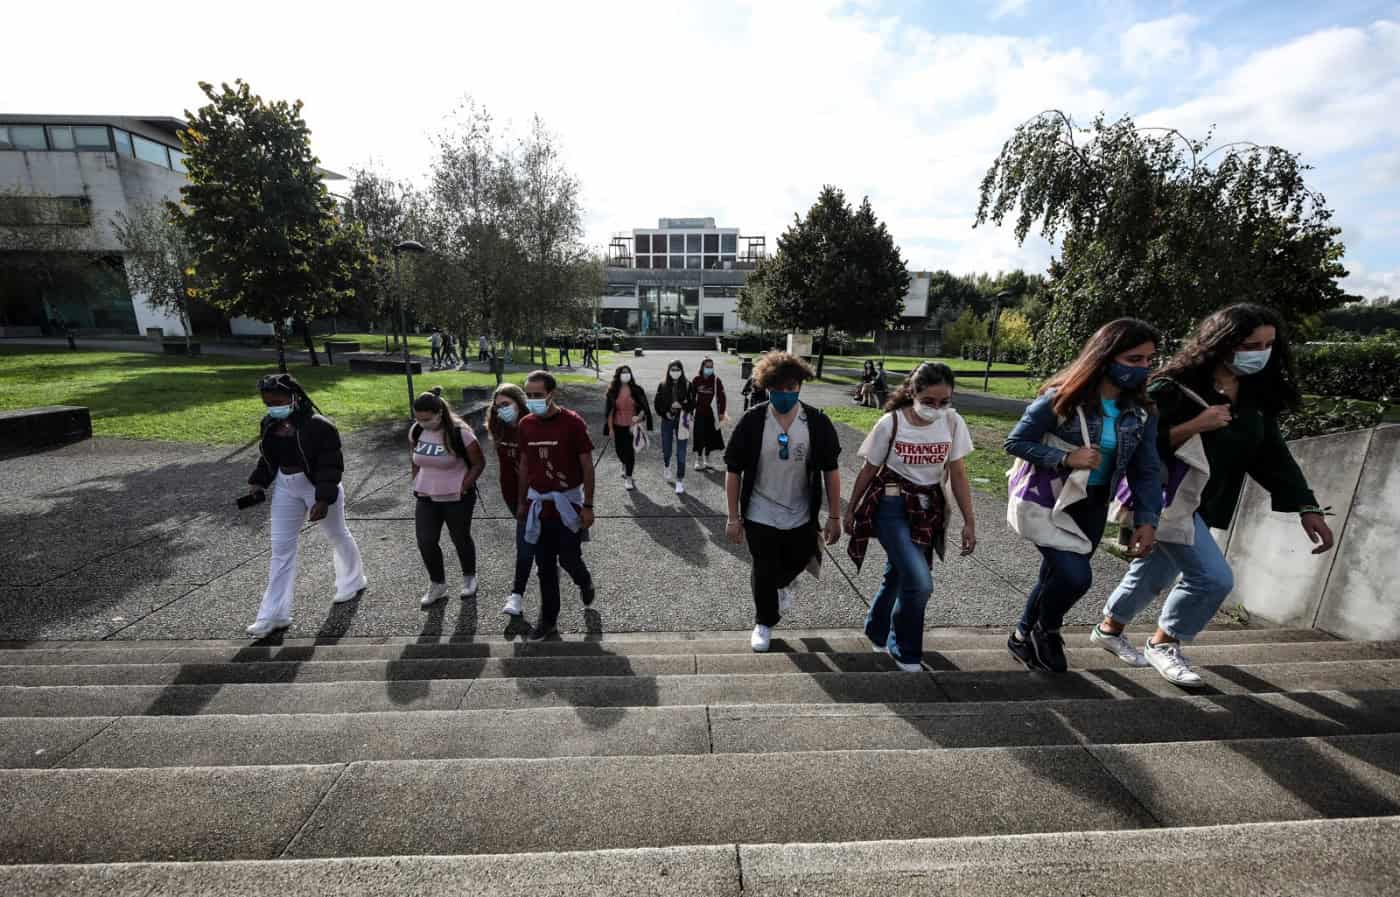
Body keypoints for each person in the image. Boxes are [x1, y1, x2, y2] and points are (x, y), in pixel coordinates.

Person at [1097, 303, 1336, 685]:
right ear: (1221, 343)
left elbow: (1271, 454)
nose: (1260, 352)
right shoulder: (1173, 388)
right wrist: (1195, 425)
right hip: (1169, 500)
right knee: (1212, 579)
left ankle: (1109, 629)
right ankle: (1163, 643)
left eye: (1268, 344)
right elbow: (1137, 445)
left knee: (1156, 569)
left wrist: (1306, 506)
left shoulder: (1254, 397)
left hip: (1207, 502)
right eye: (1250, 344)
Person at [1003, 318, 1164, 673]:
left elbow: (1147, 470)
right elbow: (1015, 441)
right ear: (1106, 357)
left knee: (1054, 576)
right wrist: (1064, 458)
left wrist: (1147, 519)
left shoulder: (1140, 411)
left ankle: (1021, 635)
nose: (1144, 368)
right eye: (1134, 359)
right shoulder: (1061, 399)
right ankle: (1048, 629)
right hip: (1050, 501)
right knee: (1076, 577)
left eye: (1149, 360)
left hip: (1093, 504)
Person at [843, 363, 978, 671]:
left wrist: (969, 520)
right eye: (929, 401)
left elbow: (957, 473)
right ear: (912, 392)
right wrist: (850, 509)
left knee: (899, 573)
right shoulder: (891, 424)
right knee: (920, 582)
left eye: (945, 402)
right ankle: (904, 648)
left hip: (927, 508)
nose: (937, 408)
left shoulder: (953, 423)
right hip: (890, 506)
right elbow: (869, 470)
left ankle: (876, 629)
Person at [724, 352, 843, 652]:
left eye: (793, 389)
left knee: (799, 559)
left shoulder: (816, 422)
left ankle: (782, 585)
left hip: (801, 512)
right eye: (779, 389)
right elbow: (733, 469)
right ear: (766, 387)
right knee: (763, 567)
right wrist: (733, 516)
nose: (786, 395)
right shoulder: (753, 421)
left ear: (801, 387)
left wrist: (835, 515)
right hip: (759, 509)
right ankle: (764, 622)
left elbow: (830, 469)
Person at [242, 373, 366, 638]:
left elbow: (331, 464)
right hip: (286, 487)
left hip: (317, 487)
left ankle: (353, 580)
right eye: (267, 402)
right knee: (281, 550)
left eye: (278, 400)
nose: (272, 406)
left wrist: (322, 498)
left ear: (294, 397)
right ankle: (273, 615)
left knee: (337, 534)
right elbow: (268, 460)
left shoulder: (320, 426)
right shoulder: (269, 424)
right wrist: (258, 483)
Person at [517, 370, 597, 640]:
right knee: (545, 565)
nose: (532, 400)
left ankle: (584, 580)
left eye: (537, 395)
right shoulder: (526, 424)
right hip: (539, 505)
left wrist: (588, 505)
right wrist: (522, 502)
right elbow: (525, 464)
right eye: (528, 395)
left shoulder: (572, 423)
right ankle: (548, 619)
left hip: (567, 504)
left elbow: (587, 465)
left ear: (551, 394)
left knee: (569, 558)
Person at [410, 387, 487, 607]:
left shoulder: (460, 433)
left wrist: (463, 486)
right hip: (426, 496)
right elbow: (414, 458)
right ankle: (437, 584)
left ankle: (469, 577)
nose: (422, 423)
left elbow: (478, 463)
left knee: (460, 537)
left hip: (457, 498)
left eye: (427, 419)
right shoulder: (416, 431)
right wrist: (416, 480)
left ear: (439, 414)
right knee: (426, 540)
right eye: (418, 418)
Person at [489, 384, 537, 619]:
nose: (501, 410)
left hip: (532, 496)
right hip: (509, 493)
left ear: (520, 403)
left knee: (524, 545)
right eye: (497, 406)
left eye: (506, 405)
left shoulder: (533, 427)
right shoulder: (498, 428)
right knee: (532, 540)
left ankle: (516, 595)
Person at [603, 364, 654, 491]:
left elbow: (644, 408)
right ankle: (624, 464)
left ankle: (629, 477)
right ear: (618, 375)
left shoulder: (637, 389)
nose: (626, 374)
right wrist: (610, 429)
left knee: (630, 452)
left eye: (628, 372)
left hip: (632, 427)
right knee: (620, 451)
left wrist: (639, 417)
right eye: (623, 372)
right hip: (617, 426)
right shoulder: (612, 391)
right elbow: (609, 412)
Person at [654, 360, 695, 496]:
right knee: (666, 448)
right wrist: (665, 412)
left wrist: (682, 406)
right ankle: (666, 465)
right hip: (667, 420)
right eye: (673, 369)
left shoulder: (689, 385)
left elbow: (693, 403)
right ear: (668, 371)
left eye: (677, 369)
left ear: (682, 370)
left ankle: (679, 480)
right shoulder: (663, 385)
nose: (675, 372)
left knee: (681, 452)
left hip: (682, 421)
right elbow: (657, 403)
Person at [691, 356, 728, 471]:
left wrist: (721, 412)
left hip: (712, 413)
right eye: (707, 367)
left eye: (711, 367)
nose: (709, 369)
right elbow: (691, 396)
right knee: (699, 435)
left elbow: (722, 397)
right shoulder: (696, 380)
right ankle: (698, 459)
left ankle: (708, 459)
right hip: (699, 413)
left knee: (710, 436)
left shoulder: (716, 380)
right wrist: (690, 411)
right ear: (702, 367)